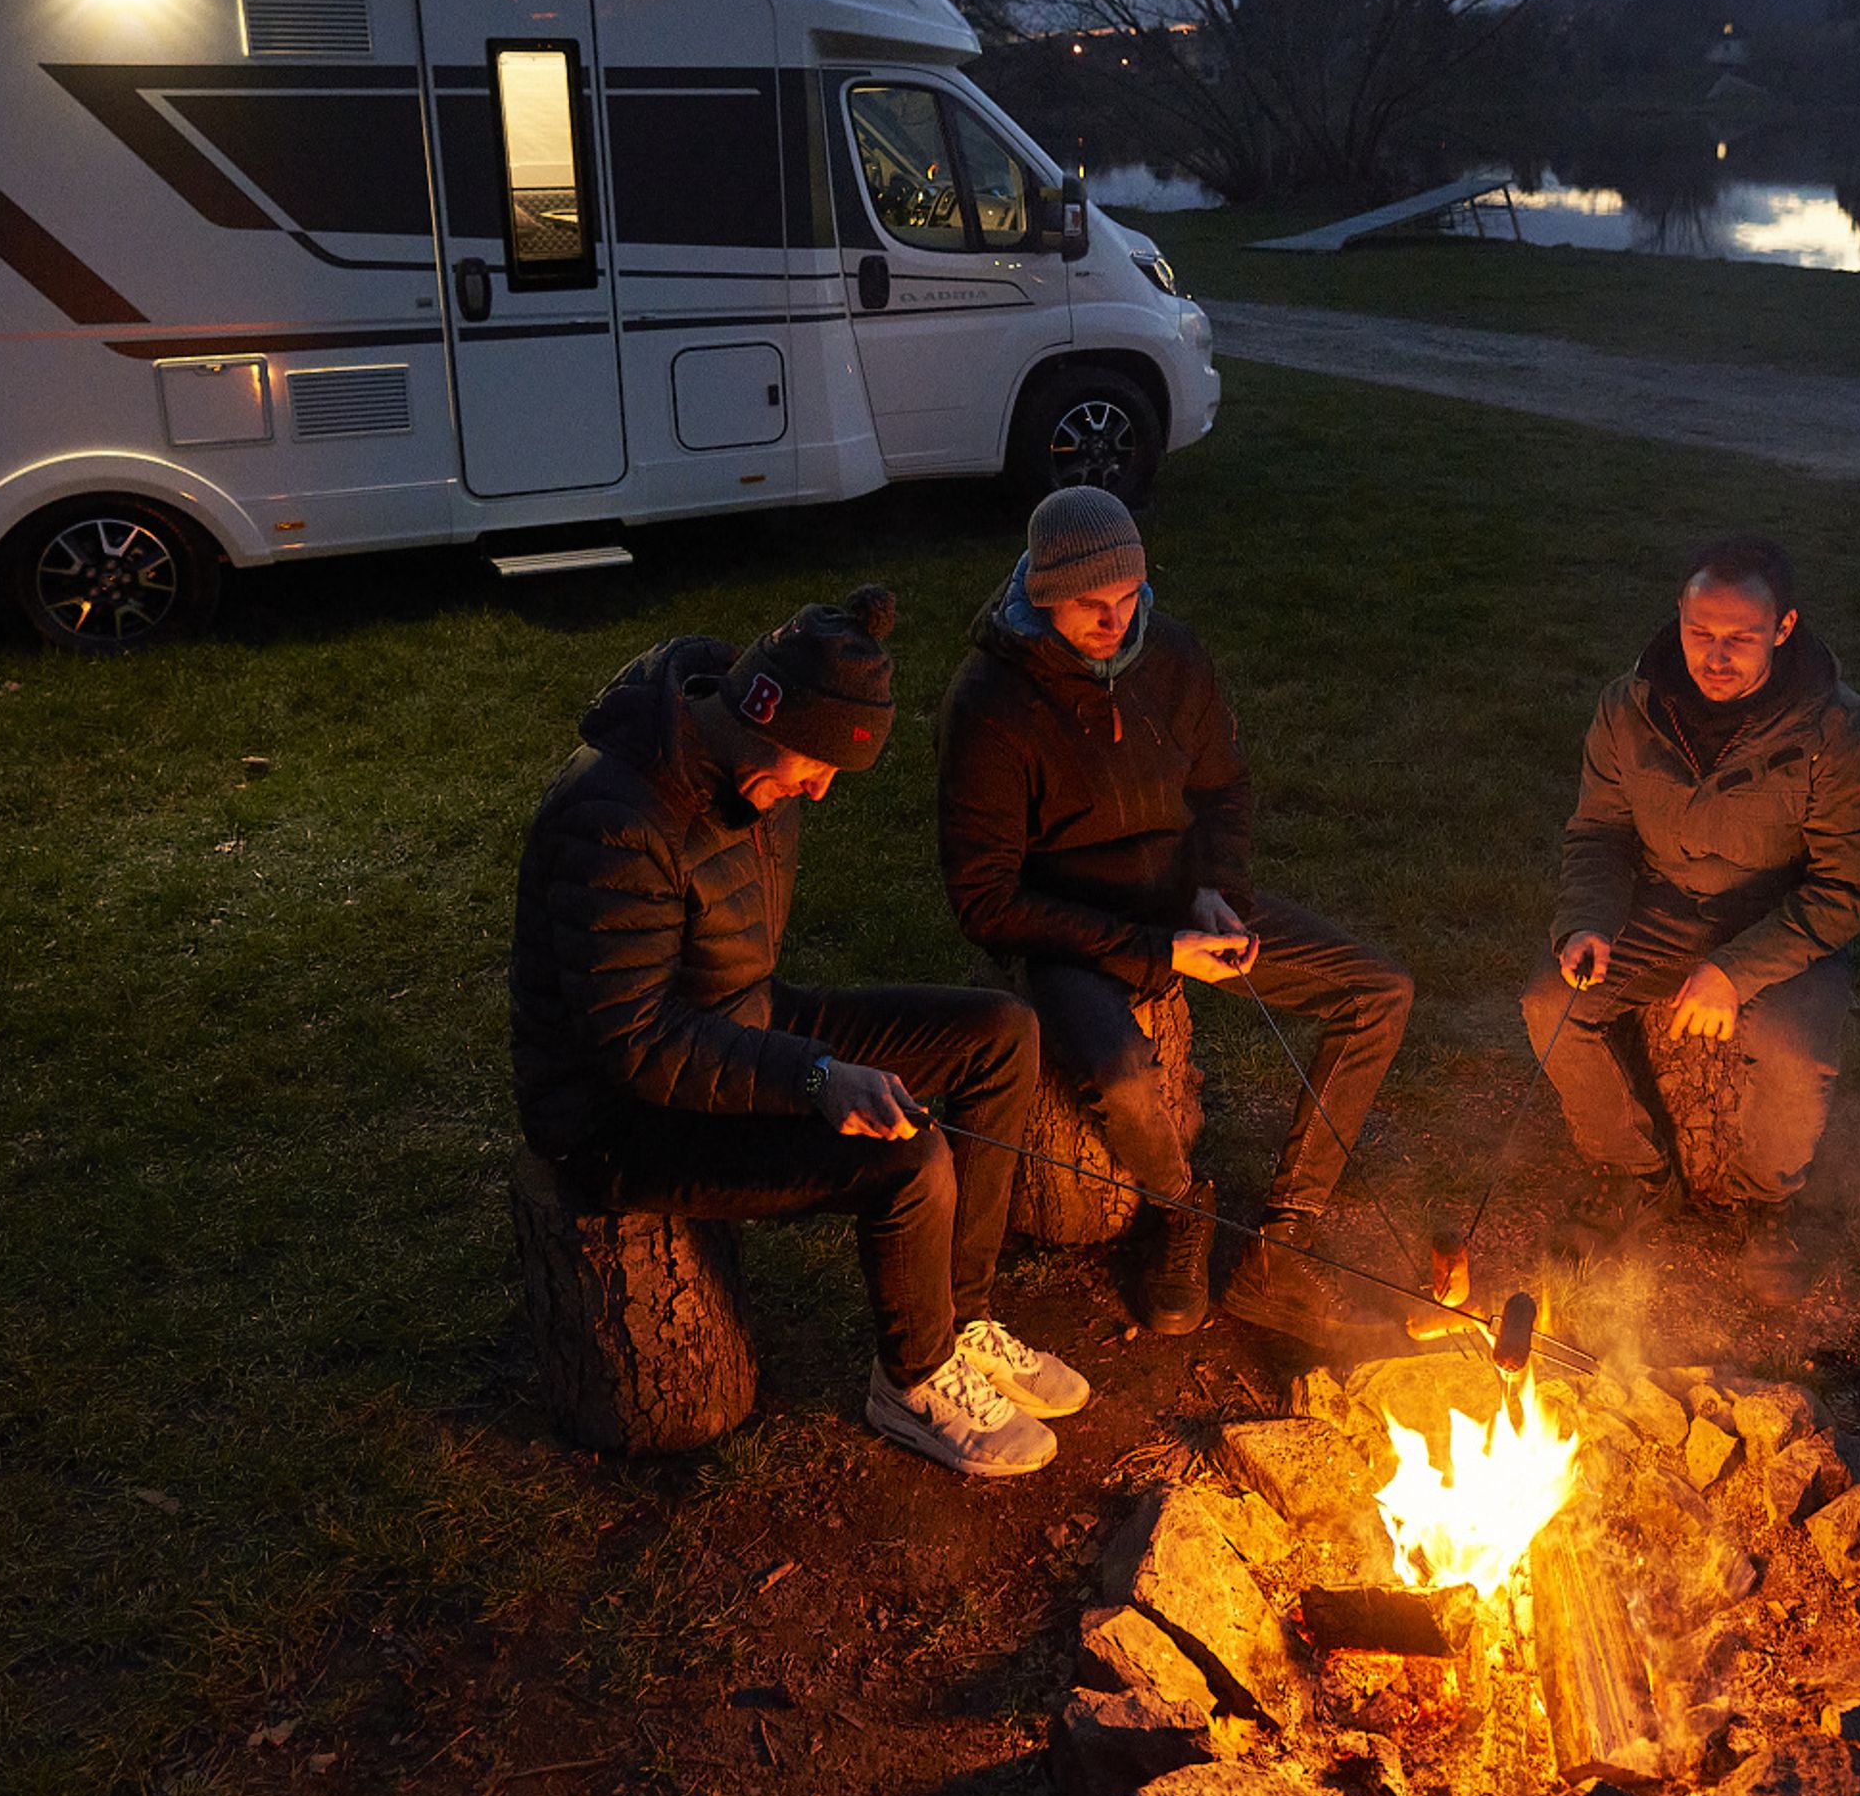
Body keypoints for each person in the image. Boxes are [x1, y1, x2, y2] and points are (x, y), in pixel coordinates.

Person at [508, 586, 1083, 1478]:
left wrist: (807, 1059)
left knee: (999, 1034)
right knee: (907, 1155)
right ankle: (913, 1380)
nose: (817, 789)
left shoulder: (755, 766)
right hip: (616, 1116)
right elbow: (636, 1044)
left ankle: (958, 1323)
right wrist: (816, 1078)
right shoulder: (617, 819)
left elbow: (728, 984)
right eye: (813, 764)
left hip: (739, 1021)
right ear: (759, 709)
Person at [938, 486, 1422, 1352]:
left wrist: (1216, 891)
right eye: (1093, 604)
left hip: (1180, 901)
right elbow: (985, 899)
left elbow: (1222, 786)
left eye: (1128, 598)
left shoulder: (1173, 655)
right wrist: (1156, 951)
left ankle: (1283, 1241)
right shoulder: (990, 704)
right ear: (1043, 592)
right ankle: (1181, 1207)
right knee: (1124, 1077)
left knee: (1380, 989)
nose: (1116, 622)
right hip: (1071, 931)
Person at [1522, 535, 1860, 1249]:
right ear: (1678, 616)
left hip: (1782, 921)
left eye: (1739, 638)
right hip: (1665, 907)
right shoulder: (1629, 708)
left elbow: (1849, 887)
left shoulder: (1834, 729)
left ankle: (1765, 1206)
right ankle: (1630, 1173)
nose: (1714, 657)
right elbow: (1599, 831)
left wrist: (1735, 971)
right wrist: (1588, 922)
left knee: (1793, 1046)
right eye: (1700, 633)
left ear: (1783, 630)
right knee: (1552, 1001)